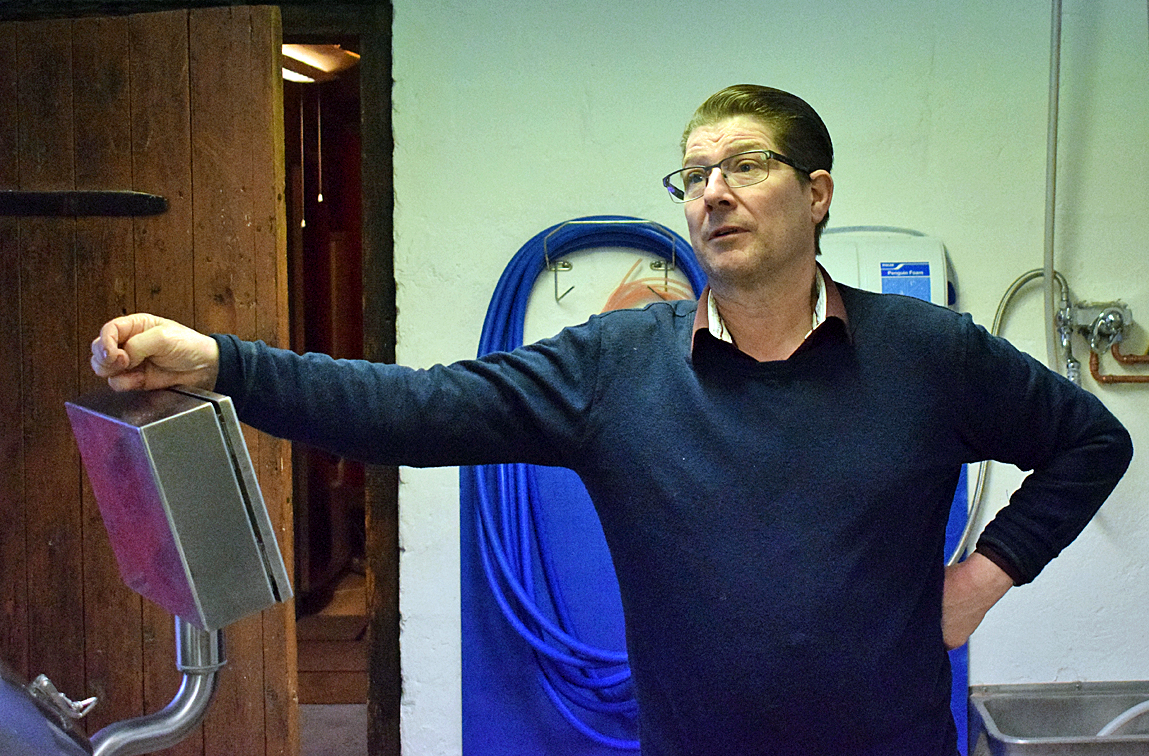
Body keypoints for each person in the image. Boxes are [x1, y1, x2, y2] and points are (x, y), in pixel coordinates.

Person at [91, 85, 1132, 756]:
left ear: (816, 193)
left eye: (746, 166)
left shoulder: (930, 354)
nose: (713, 193)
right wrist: (224, 363)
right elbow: (416, 408)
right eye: (694, 175)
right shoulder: (615, 366)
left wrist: (981, 578)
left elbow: (1093, 440)